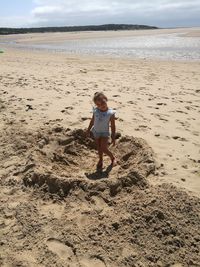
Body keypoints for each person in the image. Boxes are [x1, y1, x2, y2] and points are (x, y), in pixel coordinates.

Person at [87, 92, 116, 169]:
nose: (101, 106)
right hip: (96, 132)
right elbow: (92, 121)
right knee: (99, 147)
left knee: (103, 148)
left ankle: (112, 157)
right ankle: (101, 159)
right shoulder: (96, 111)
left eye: (102, 102)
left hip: (104, 133)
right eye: (98, 105)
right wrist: (88, 130)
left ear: (106, 99)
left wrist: (113, 136)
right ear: (96, 105)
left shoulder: (110, 113)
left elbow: (113, 126)